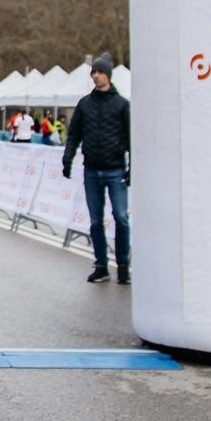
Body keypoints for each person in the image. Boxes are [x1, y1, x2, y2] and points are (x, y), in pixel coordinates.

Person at [62, 54, 130, 284]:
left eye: (99, 72)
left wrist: (132, 168)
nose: (96, 76)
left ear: (108, 75)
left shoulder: (122, 105)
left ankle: (123, 264)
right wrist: (68, 158)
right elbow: (74, 135)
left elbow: (130, 138)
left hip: (115, 170)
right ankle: (101, 265)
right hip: (92, 170)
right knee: (95, 221)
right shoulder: (85, 104)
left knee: (121, 217)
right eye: (93, 72)